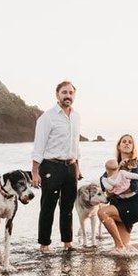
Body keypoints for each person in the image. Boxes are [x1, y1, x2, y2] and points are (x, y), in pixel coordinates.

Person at [31, 81, 82, 253]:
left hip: (70, 167)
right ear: (57, 95)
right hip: (51, 167)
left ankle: (68, 243)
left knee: (67, 207)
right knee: (48, 206)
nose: (67, 95)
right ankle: (44, 244)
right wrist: (34, 172)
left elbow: (76, 145)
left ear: (74, 95)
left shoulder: (76, 117)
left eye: (70, 93)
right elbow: (39, 145)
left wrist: (77, 168)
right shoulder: (47, 117)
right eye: (64, 92)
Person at [96, 134, 138, 253]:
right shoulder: (114, 165)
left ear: (133, 147)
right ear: (119, 146)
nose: (127, 143)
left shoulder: (135, 163)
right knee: (126, 247)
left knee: (102, 212)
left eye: (130, 142)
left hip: (133, 205)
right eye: (124, 141)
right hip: (118, 204)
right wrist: (112, 186)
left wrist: (113, 189)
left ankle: (119, 246)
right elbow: (103, 183)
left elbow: (134, 188)